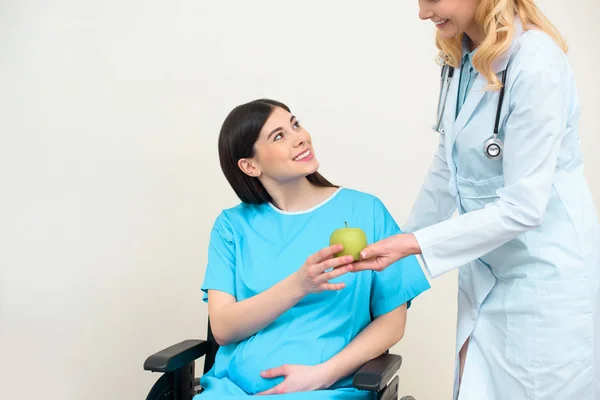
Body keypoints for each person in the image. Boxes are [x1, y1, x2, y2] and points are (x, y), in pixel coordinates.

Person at [352, 1, 600, 399]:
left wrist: (413, 246)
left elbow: (523, 207)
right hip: (487, 269)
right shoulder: (460, 56)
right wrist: (396, 253)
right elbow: (446, 167)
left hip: (543, 277)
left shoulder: (535, 62)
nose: (422, 13)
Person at [196, 99, 430, 399]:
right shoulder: (231, 227)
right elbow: (224, 328)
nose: (300, 137)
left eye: (295, 124)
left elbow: (392, 323)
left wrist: (321, 376)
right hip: (232, 390)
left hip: (327, 390)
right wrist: (299, 284)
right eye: (279, 136)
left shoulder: (365, 211)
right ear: (250, 165)